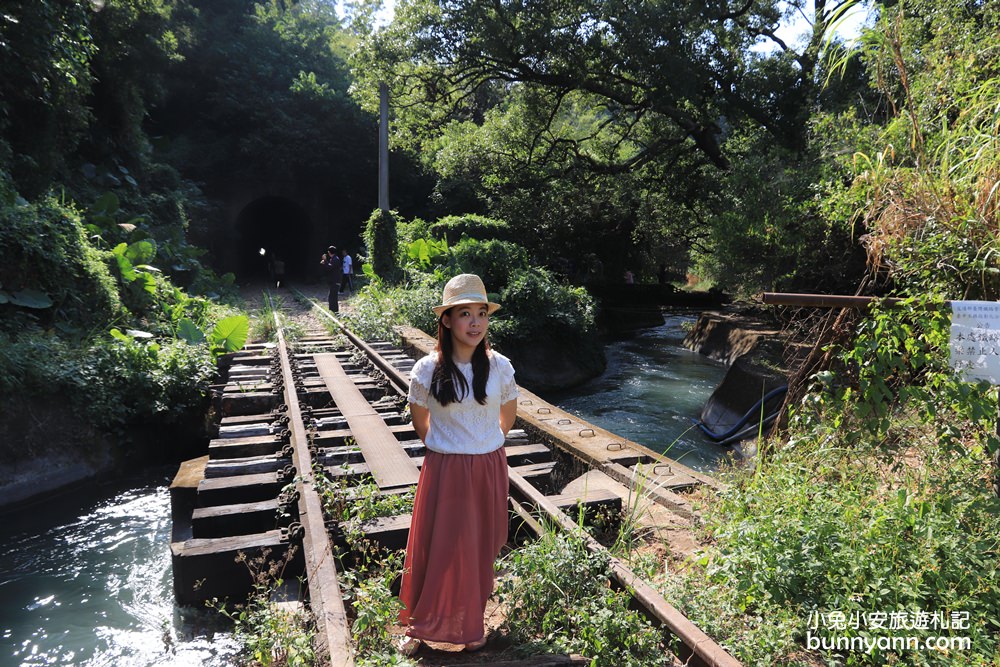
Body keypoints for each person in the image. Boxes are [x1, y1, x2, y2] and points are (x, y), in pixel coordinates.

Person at [398, 273, 518, 656]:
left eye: (481, 313)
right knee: (435, 546)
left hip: (488, 468)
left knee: (479, 548)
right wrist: (451, 447)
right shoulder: (427, 369)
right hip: (446, 468)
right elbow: (421, 422)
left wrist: (480, 445)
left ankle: (470, 625)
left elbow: (508, 419)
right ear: (447, 320)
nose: (475, 322)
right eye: (464, 313)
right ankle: (418, 625)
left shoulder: (499, 366)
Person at [320, 245, 341, 312]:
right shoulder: (334, 259)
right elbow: (330, 267)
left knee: (333, 297)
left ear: (329, 252)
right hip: (333, 280)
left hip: (335, 281)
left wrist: (325, 260)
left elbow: (330, 267)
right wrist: (325, 263)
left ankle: (334, 311)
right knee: (331, 297)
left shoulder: (335, 259)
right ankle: (332, 310)